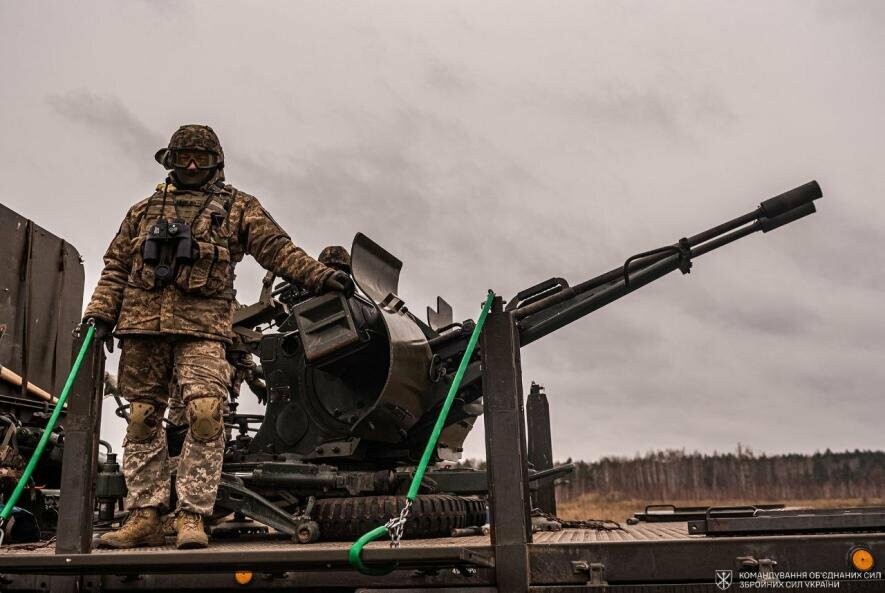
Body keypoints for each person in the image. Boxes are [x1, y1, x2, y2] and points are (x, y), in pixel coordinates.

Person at [82, 124, 352, 549]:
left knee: (206, 413)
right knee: (142, 419)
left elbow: (277, 249)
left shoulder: (237, 207)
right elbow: (115, 267)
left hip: (203, 329)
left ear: (216, 163)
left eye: (201, 158)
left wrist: (320, 276)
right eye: (184, 157)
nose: (191, 165)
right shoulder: (142, 212)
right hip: (142, 330)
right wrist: (98, 313)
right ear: (169, 160)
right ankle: (145, 515)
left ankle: (192, 516)